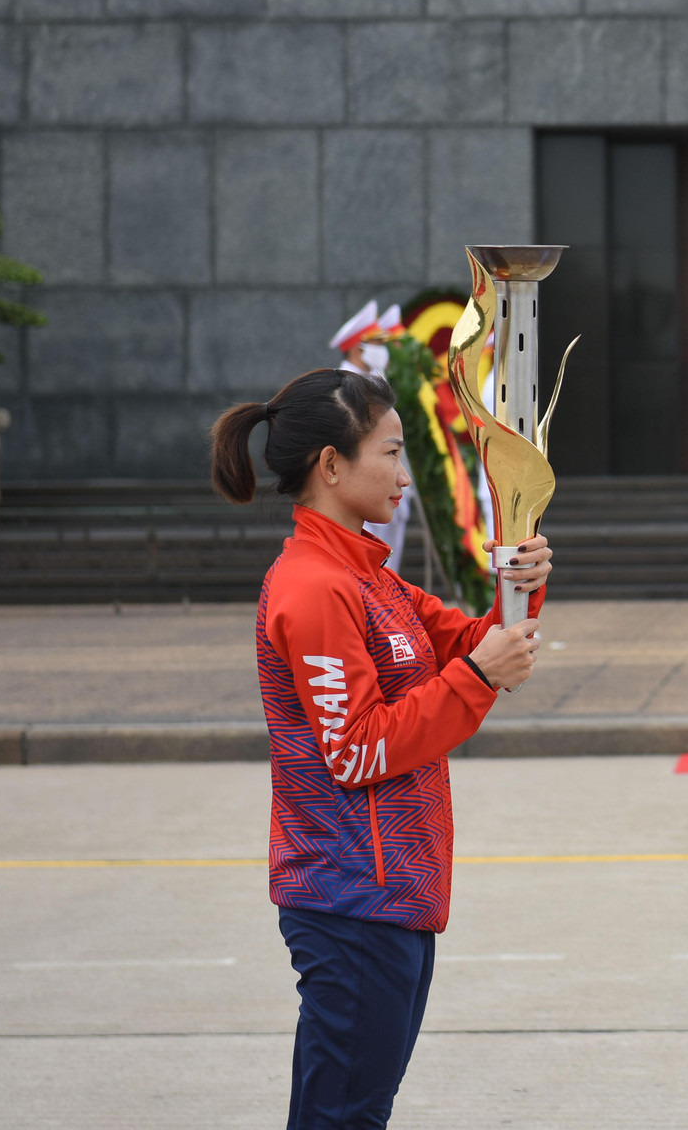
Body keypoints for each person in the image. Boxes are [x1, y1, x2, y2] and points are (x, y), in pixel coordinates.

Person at [209, 367, 553, 1129]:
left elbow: (465, 642)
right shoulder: (313, 587)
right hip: (348, 899)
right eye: (391, 454)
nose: (404, 474)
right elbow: (356, 750)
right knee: (343, 1118)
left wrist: (518, 588)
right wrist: (476, 676)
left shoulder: (368, 574)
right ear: (331, 465)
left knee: (352, 1112)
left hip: (394, 897)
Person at [335, 302, 413, 575]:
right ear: (360, 348)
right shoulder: (346, 389)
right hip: (364, 487)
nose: (386, 350)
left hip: (385, 487)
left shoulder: (370, 383)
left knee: (385, 573)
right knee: (365, 569)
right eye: (378, 343)